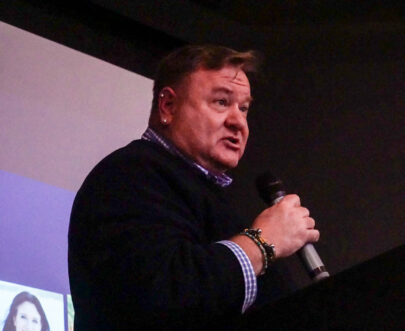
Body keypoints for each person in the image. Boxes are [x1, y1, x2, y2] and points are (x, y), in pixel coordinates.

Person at [68, 45, 320, 329]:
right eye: (222, 102)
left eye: (244, 108)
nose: (239, 121)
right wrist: (261, 243)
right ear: (168, 106)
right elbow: (164, 295)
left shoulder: (207, 194)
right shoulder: (128, 174)